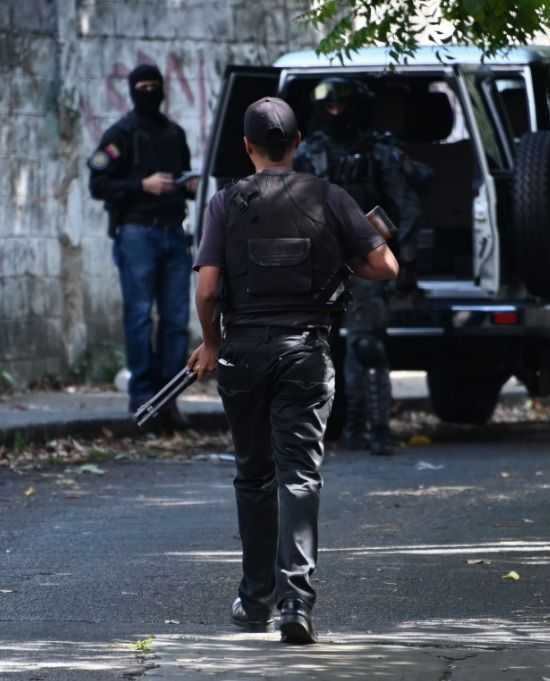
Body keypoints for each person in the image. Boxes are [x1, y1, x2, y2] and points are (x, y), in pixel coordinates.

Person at [187, 97, 398, 644]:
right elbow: (384, 265)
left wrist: (211, 344)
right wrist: (340, 253)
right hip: (305, 352)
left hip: (242, 354)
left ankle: (255, 600)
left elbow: (207, 289)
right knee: (300, 476)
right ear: (299, 141)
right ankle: (296, 606)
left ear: (247, 146)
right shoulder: (329, 197)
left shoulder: (224, 203)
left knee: (254, 476)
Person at [294, 76, 429, 456]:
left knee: (366, 345)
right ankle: (336, 427)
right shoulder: (310, 154)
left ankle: (375, 428)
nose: (335, 113)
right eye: (329, 107)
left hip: (366, 264)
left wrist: (407, 264)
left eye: (342, 106)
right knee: (316, 350)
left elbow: (406, 206)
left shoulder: (378, 153)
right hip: (321, 267)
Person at [88, 64, 197, 430]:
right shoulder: (121, 134)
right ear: (134, 91)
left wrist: (188, 187)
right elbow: (98, 182)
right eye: (142, 86)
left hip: (173, 234)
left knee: (176, 322)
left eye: (155, 86)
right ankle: (142, 397)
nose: (149, 91)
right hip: (137, 235)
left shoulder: (174, 133)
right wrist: (142, 186)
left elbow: (183, 176)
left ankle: (168, 397)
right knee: (138, 317)